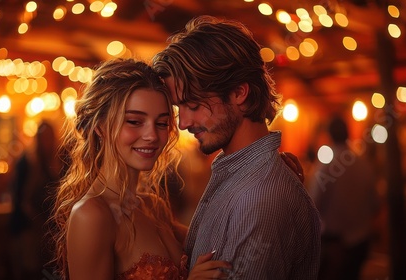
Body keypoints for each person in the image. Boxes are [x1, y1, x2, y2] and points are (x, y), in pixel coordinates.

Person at [151, 15, 321, 279]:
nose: (183, 123)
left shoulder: (257, 199)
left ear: (239, 93)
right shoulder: (241, 175)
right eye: (179, 108)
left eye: (193, 105)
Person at [51, 58, 232, 280]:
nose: (152, 136)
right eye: (135, 121)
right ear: (100, 126)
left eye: (161, 123)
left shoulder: (153, 207)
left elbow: (226, 245)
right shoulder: (92, 215)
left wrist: (276, 173)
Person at [308, 116, 380, 280]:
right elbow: (375, 204)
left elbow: (313, 206)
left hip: (334, 246)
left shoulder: (325, 166)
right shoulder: (364, 164)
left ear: (329, 135)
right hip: (361, 242)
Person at [10, 121, 61, 280]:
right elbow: (18, 197)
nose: (47, 142)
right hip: (31, 226)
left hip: (53, 227)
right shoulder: (27, 162)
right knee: (31, 269)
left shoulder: (59, 161)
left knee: (52, 269)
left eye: (49, 138)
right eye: (43, 138)